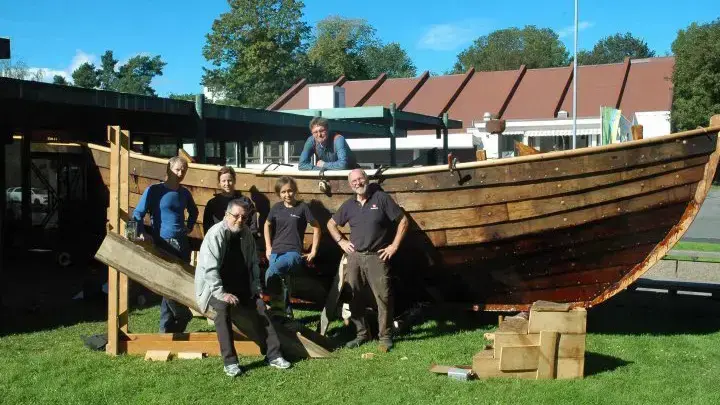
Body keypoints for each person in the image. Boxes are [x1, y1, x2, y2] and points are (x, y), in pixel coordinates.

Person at [195, 198, 292, 377]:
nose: (240, 220)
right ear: (226, 215)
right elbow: (209, 269)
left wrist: (256, 287)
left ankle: (274, 355)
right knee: (222, 311)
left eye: (244, 217)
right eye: (236, 216)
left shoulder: (246, 233)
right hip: (217, 287)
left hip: (242, 286)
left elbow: (253, 263)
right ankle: (230, 361)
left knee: (261, 308)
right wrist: (221, 293)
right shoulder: (215, 234)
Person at [326, 169, 409, 351]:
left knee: (383, 298)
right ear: (350, 184)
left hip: (376, 257)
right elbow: (331, 224)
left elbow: (403, 221)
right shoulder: (349, 205)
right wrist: (341, 241)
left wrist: (393, 246)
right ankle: (362, 334)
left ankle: (385, 336)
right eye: (353, 181)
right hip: (355, 257)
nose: (357, 183)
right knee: (353, 296)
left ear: (367, 179)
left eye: (360, 179)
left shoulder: (381, 199)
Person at [133, 156, 198, 333]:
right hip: (162, 242)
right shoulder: (154, 190)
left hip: (182, 244)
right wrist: (142, 233)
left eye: (184, 170)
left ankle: (166, 331)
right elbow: (138, 213)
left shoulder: (184, 193)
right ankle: (183, 315)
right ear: (168, 169)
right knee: (167, 284)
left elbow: (194, 211)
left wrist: (189, 226)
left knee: (177, 284)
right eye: (177, 169)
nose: (181, 173)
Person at [263, 176, 321, 318]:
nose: (287, 194)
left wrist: (313, 251)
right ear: (279, 194)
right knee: (282, 282)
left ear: (294, 191)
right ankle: (286, 315)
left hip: (293, 252)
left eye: (289, 191)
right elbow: (267, 224)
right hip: (275, 252)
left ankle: (276, 308)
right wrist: (268, 247)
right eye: (283, 192)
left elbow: (317, 228)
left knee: (271, 273)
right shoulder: (276, 208)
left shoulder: (302, 207)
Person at [203, 166, 259, 237]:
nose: (227, 184)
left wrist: (251, 238)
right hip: (220, 240)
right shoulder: (212, 203)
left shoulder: (245, 201)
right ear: (219, 183)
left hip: (242, 240)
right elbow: (207, 227)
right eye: (223, 181)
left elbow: (253, 224)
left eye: (229, 180)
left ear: (234, 181)